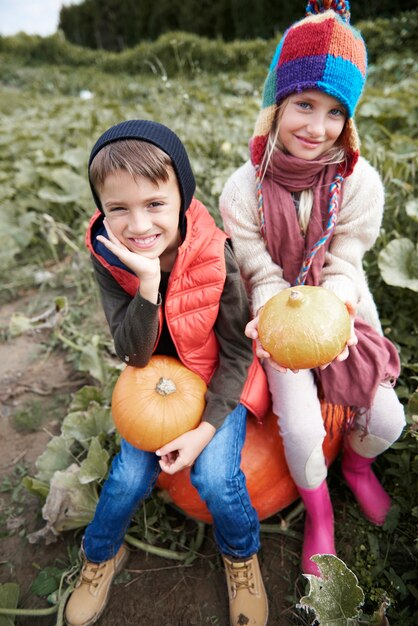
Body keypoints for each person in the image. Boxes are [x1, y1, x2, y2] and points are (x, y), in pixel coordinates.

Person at [220, 0, 406, 578]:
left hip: (342, 306)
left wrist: (342, 304)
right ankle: (318, 510)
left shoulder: (359, 181)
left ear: (347, 120)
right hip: (277, 314)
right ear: (276, 103)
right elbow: (256, 264)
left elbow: (347, 256)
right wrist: (278, 312)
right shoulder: (243, 188)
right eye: (303, 105)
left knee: (388, 421)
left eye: (333, 113)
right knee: (299, 429)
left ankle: (355, 467)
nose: (315, 127)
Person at [64, 119, 270, 626]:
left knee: (218, 480)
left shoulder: (215, 254)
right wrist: (148, 282)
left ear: (182, 196)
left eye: (154, 204)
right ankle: (101, 555)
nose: (138, 225)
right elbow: (132, 353)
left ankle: (241, 556)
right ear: (102, 211)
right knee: (126, 479)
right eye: (119, 209)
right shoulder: (109, 257)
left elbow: (238, 353)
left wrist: (204, 430)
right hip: (150, 382)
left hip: (215, 381)